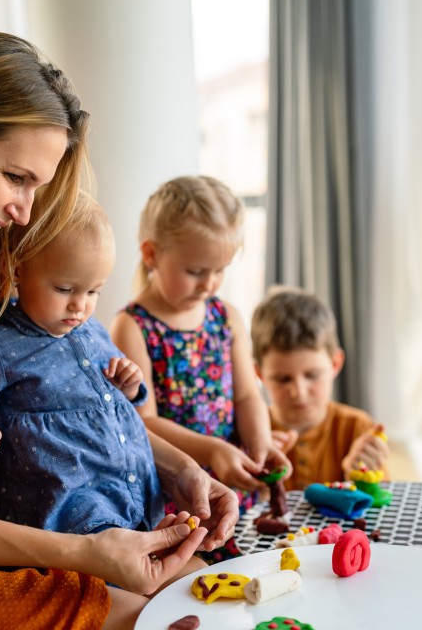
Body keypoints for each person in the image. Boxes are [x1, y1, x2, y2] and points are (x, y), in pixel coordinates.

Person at [0, 31, 237, 629]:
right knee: (150, 614)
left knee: (204, 593)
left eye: (37, 188)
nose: (24, 214)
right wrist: (79, 555)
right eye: (15, 177)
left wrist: (181, 469)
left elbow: (64, 406)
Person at [0, 192, 205, 574]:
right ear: (18, 270)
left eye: (93, 290)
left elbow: (117, 402)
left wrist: (129, 386)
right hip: (65, 509)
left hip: (130, 492)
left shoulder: (93, 331)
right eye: (64, 289)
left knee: (190, 572)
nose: (80, 306)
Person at [110, 175, 291, 559]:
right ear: (151, 254)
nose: (210, 283)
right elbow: (143, 422)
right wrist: (212, 451)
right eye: (195, 271)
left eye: (220, 269)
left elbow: (246, 395)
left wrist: (259, 444)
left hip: (231, 478)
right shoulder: (132, 326)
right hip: (174, 491)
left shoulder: (226, 316)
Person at [250, 286, 389, 490]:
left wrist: (359, 478)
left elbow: (384, 509)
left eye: (312, 375)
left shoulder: (356, 429)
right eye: (282, 379)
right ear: (259, 374)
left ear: (335, 364)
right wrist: (255, 477)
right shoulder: (249, 433)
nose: (299, 392)